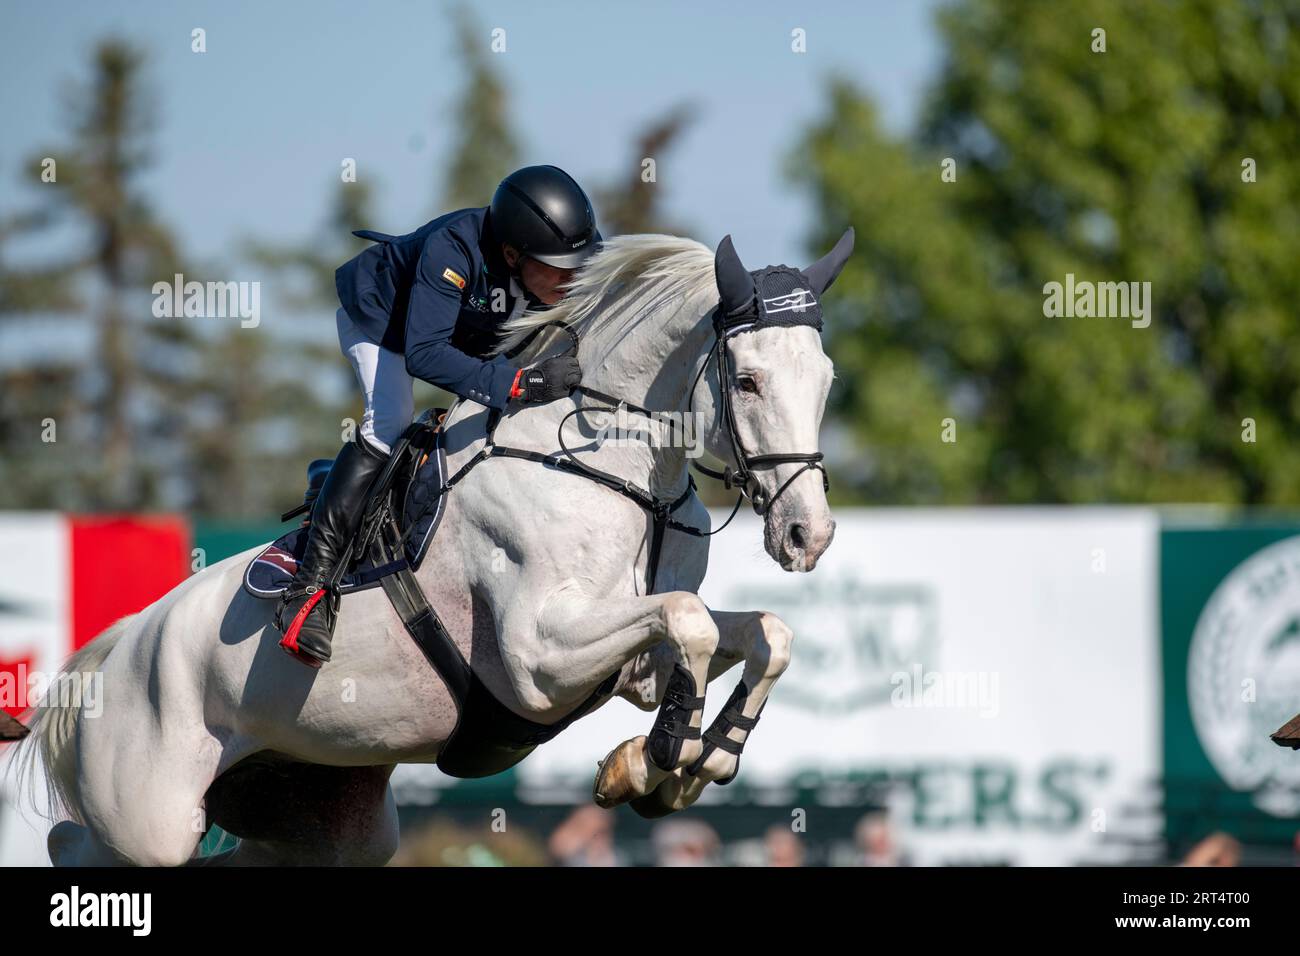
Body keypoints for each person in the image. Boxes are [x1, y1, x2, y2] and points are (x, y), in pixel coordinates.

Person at [275, 165, 602, 668]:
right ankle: (308, 591)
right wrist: (520, 385)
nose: (571, 279)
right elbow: (424, 354)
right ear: (513, 254)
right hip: (383, 322)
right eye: (560, 268)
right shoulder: (453, 248)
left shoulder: (533, 268)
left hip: (457, 329)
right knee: (391, 421)